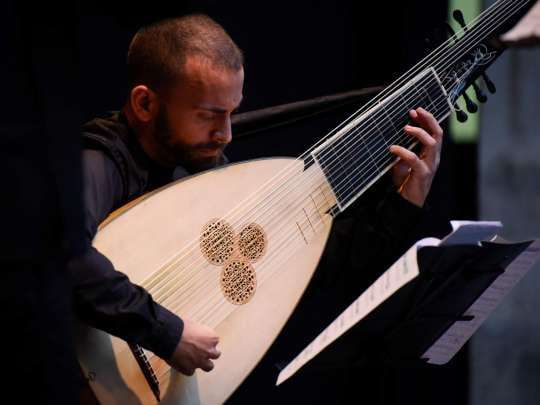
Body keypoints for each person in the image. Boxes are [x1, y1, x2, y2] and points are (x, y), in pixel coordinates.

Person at [71, 13, 443, 401]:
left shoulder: (204, 171)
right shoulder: (98, 164)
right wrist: (169, 332)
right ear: (145, 103)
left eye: (231, 113)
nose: (226, 134)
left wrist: (406, 194)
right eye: (209, 116)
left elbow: (316, 266)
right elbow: (65, 253)